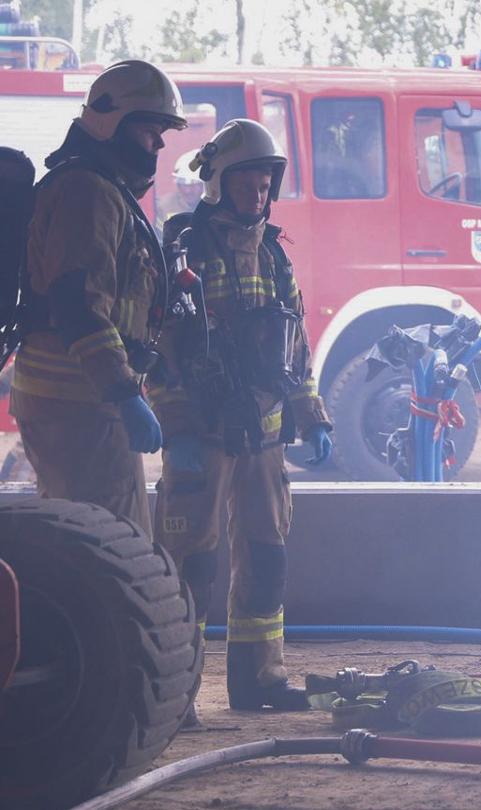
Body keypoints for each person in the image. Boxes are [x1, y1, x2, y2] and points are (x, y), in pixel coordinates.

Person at [149, 119, 331, 714]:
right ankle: (176, 692)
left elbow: (294, 344)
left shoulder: (276, 256)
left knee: (266, 554)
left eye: (264, 180)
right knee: (189, 563)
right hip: (201, 435)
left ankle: (259, 680)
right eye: (245, 179)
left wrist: (312, 413)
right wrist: (174, 429)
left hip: (264, 438)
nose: (256, 190)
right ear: (217, 182)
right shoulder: (182, 248)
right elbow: (157, 344)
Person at [9, 60, 186, 536]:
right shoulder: (86, 191)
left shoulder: (102, 189)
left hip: (85, 397)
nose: (160, 144)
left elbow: (117, 304)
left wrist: (146, 365)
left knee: (93, 540)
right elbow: (78, 304)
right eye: (152, 130)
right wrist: (125, 394)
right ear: (115, 124)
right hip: (79, 400)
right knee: (107, 547)